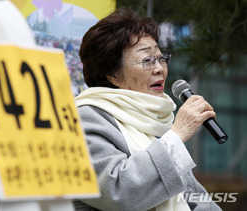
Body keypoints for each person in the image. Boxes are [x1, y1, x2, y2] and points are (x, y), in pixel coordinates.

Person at [73, 8, 222, 211]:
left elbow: (193, 197)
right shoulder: (85, 119)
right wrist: (176, 135)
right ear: (112, 74)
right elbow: (117, 192)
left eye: (161, 58)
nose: (160, 68)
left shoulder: (153, 120)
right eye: (147, 60)